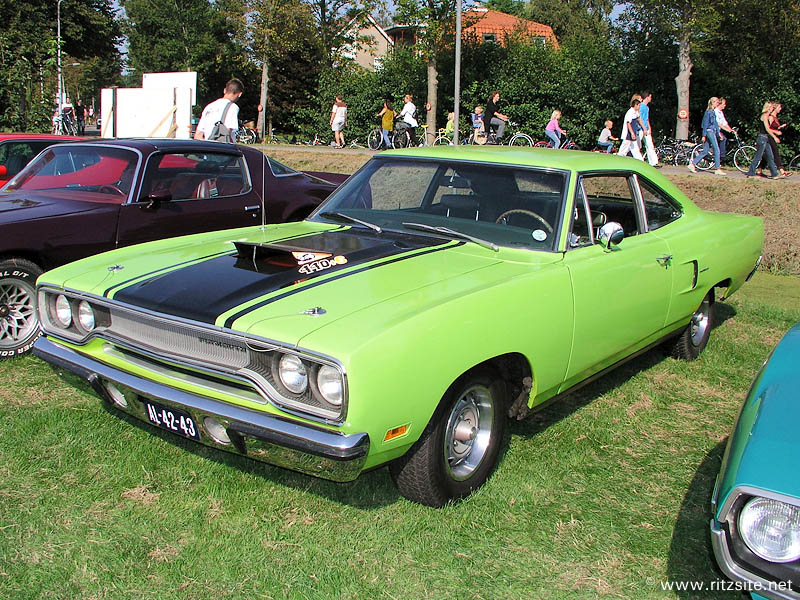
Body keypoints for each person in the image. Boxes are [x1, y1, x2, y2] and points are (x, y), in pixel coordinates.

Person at [194, 78, 244, 143]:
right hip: (221, 149)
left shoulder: (209, 107)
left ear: (224, 90)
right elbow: (229, 131)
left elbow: (198, 134)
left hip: (207, 148)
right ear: (239, 94)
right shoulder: (233, 107)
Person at [689, 97, 725, 175]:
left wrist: (718, 133)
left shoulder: (713, 112)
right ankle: (717, 168)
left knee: (705, 151)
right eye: (717, 103)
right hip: (709, 132)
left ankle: (692, 164)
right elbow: (705, 124)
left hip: (713, 131)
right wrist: (704, 135)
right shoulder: (708, 112)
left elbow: (715, 123)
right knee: (716, 149)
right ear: (713, 103)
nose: (717, 104)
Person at [746, 102, 782, 179]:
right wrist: (774, 137)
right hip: (762, 138)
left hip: (766, 138)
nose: (773, 109)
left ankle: (774, 174)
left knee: (770, 156)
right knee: (758, 156)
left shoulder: (768, 116)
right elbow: (767, 129)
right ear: (768, 108)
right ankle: (751, 173)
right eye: (772, 107)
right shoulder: (765, 116)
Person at [766, 102, 791, 177]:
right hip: (770, 137)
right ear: (775, 108)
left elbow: (775, 127)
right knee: (776, 153)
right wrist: (775, 134)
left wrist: (780, 127)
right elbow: (768, 129)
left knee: (766, 154)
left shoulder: (775, 117)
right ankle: (782, 171)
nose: (780, 109)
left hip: (773, 136)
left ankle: (759, 170)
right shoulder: (770, 117)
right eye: (779, 108)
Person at [638, 91, 659, 166]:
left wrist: (649, 128)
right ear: (647, 97)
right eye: (650, 97)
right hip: (640, 129)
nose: (651, 98)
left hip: (645, 128)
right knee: (637, 145)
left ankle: (653, 162)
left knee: (650, 145)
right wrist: (643, 128)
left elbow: (646, 119)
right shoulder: (640, 106)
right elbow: (639, 118)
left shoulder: (647, 108)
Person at [714, 98, 736, 165]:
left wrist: (731, 129)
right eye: (724, 104)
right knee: (723, 139)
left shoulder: (721, 112)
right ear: (720, 104)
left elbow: (724, 123)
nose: (725, 105)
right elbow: (719, 124)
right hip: (714, 130)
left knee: (725, 139)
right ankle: (722, 156)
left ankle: (721, 154)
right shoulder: (716, 111)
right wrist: (727, 130)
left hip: (718, 130)